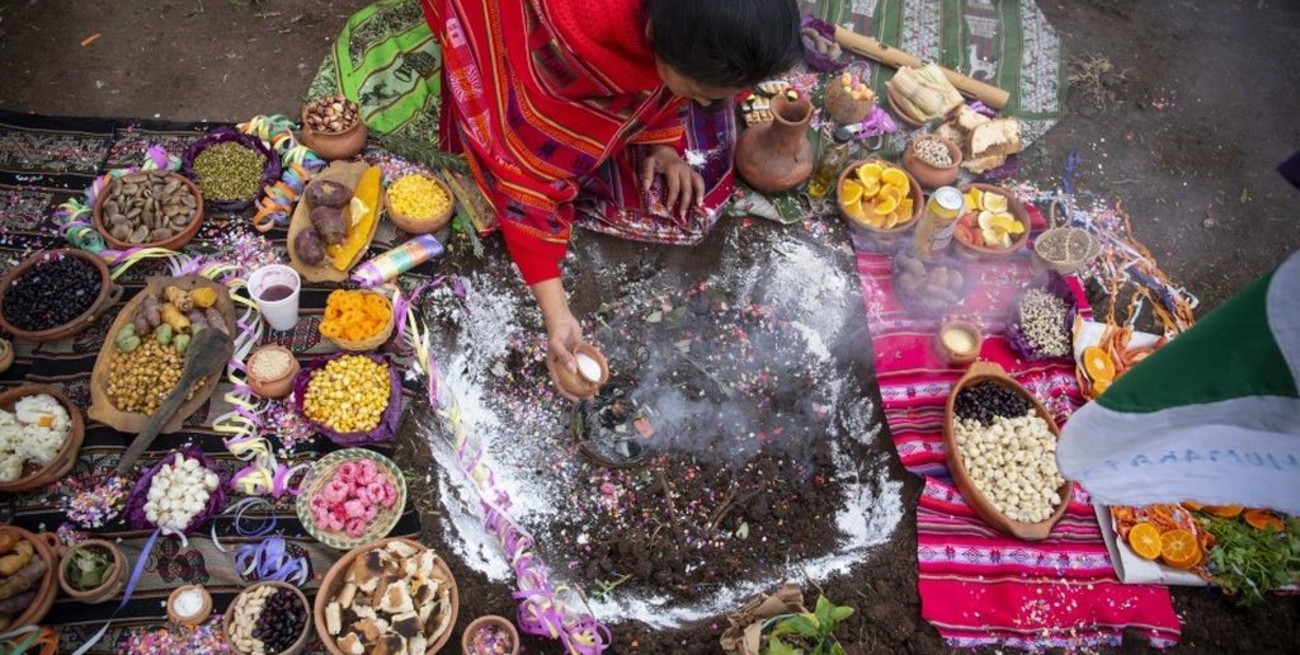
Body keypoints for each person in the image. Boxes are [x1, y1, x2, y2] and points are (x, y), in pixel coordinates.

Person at [419, 0, 801, 387]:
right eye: (699, 92)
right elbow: (527, 180)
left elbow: (683, 81)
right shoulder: (562, 55)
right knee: (520, 133)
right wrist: (558, 317)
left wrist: (663, 144)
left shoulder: (679, 33)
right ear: (652, 33)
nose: (703, 105)